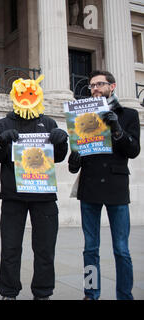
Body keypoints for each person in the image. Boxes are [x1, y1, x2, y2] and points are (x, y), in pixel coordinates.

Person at [0, 75, 68, 300]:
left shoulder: (49, 122)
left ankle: (43, 292)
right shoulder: (2, 124)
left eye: (31, 94)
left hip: (44, 196)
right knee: (10, 248)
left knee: (45, 249)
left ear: (38, 97)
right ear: (15, 96)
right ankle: (8, 292)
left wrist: (62, 142)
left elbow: (59, 158)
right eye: (22, 94)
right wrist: (2, 141)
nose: (26, 98)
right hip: (13, 196)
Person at [68, 70, 140, 300]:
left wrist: (117, 129)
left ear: (113, 86)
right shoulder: (81, 116)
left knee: (122, 249)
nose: (95, 88)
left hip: (116, 187)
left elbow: (134, 150)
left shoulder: (128, 114)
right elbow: (72, 165)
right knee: (90, 248)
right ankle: (91, 293)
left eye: (100, 84)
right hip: (89, 188)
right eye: (91, 86)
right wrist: (75, 158)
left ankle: (125, 295)